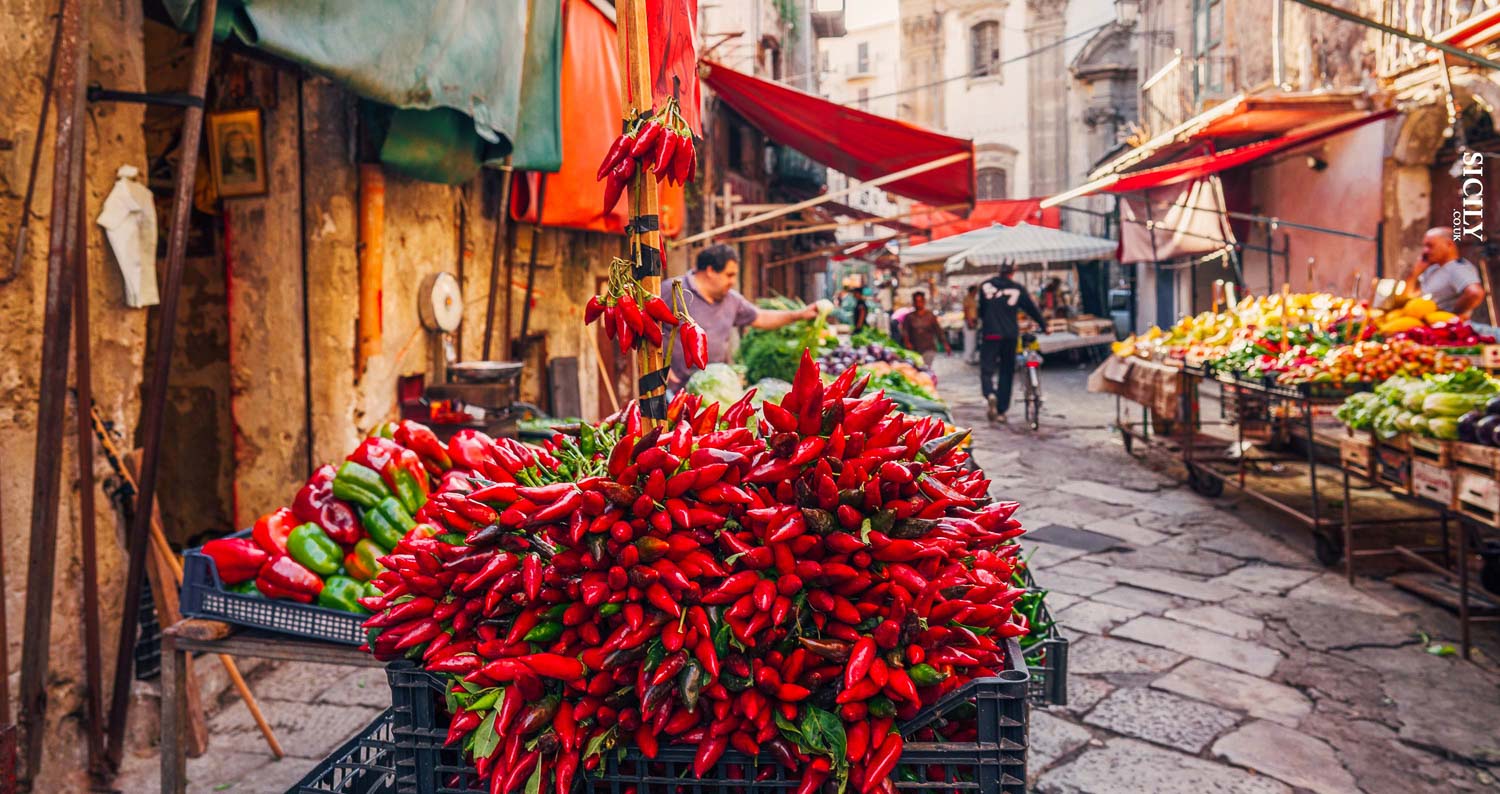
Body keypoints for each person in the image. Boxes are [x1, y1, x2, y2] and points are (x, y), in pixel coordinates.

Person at [660, 244, 817, 387]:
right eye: (729, 275)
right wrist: (660, 365)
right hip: (672, 389)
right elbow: (646, 326)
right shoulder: (673, 290)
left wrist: (800, 314)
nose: (733, 281)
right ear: (710, 271)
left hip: (711, 386)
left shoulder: (731, 299)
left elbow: (760, 317)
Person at [978, 265, 1046, 423]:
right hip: (1010, 335)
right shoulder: (1017, 288)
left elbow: (981, 311)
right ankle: (1001, 409)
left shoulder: (985, 286)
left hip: (991, 333)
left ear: (999, 271)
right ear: (1012, 273)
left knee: (986, 368)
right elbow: (1031, 309)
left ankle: (989, 393)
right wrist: (1044, 326)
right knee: (1006, 371)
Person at [1405, 227, 1486, 317]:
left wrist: (1451, 316)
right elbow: (1408, 295)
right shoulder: (1432, 268)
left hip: (1442, 327)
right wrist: (1416, 272)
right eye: (1424, 246)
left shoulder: (1458, 268)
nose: (1425, 251)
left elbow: (1475, 293)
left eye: (1430, 246)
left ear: (1449, 245)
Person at [900, 291, 949, 364]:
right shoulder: (909, 317)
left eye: (920, 301)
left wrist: (945, 344)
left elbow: (938, 331)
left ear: (924, 301)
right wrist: (907, 343)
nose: (918, 303)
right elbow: (905, 332)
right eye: (916, 301)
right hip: (915, 349)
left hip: (929, 348)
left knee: (926, 368)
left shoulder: (930, 316)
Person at [962, 285, 980, 364]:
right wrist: (970, 322)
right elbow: (966, 311)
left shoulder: (973, 299)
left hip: (974, 320)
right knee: (970, 340)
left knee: (973, 340)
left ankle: (971, 356)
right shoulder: (967, 299)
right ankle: (968, 357)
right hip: (970, 321)